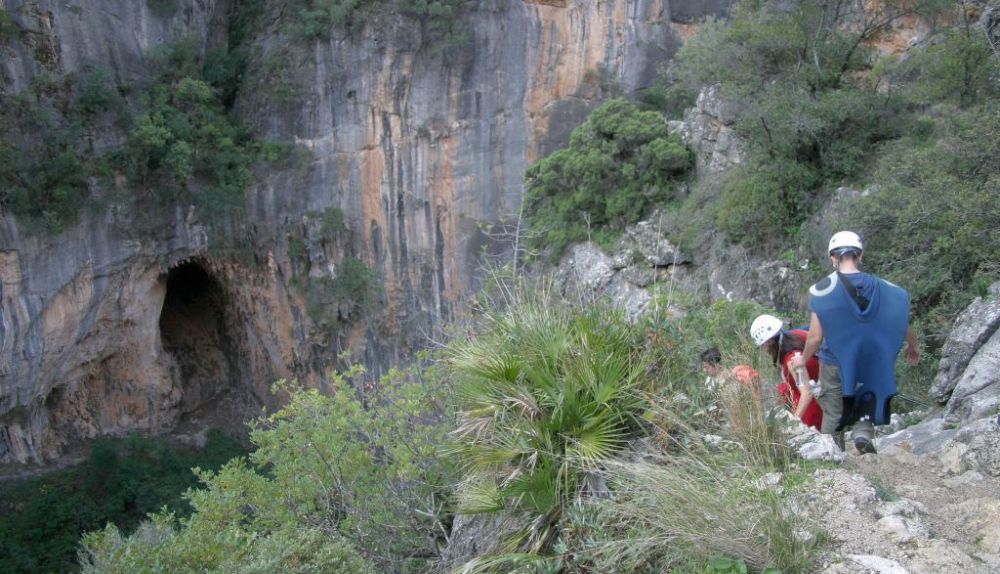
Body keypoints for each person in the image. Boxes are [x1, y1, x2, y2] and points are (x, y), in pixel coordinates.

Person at [790, 231, 919, 454]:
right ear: (860, 256)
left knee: (833, 411)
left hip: (833, 360)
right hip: (868, 359)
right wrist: (913, 345)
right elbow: (900, 321)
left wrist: (804, 359)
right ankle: (862, 433)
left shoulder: (823, 291)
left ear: (833, 258)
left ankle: (832, 455)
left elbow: (815, 337)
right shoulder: (882, 287)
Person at [750, 314, 823, 431]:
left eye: (763, 346)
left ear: (768, 342)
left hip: (811, 411)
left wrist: (794, 422)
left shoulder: (792, 360)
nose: (764, 349)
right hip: (817, 399)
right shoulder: (796, 336)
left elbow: (806, 393)